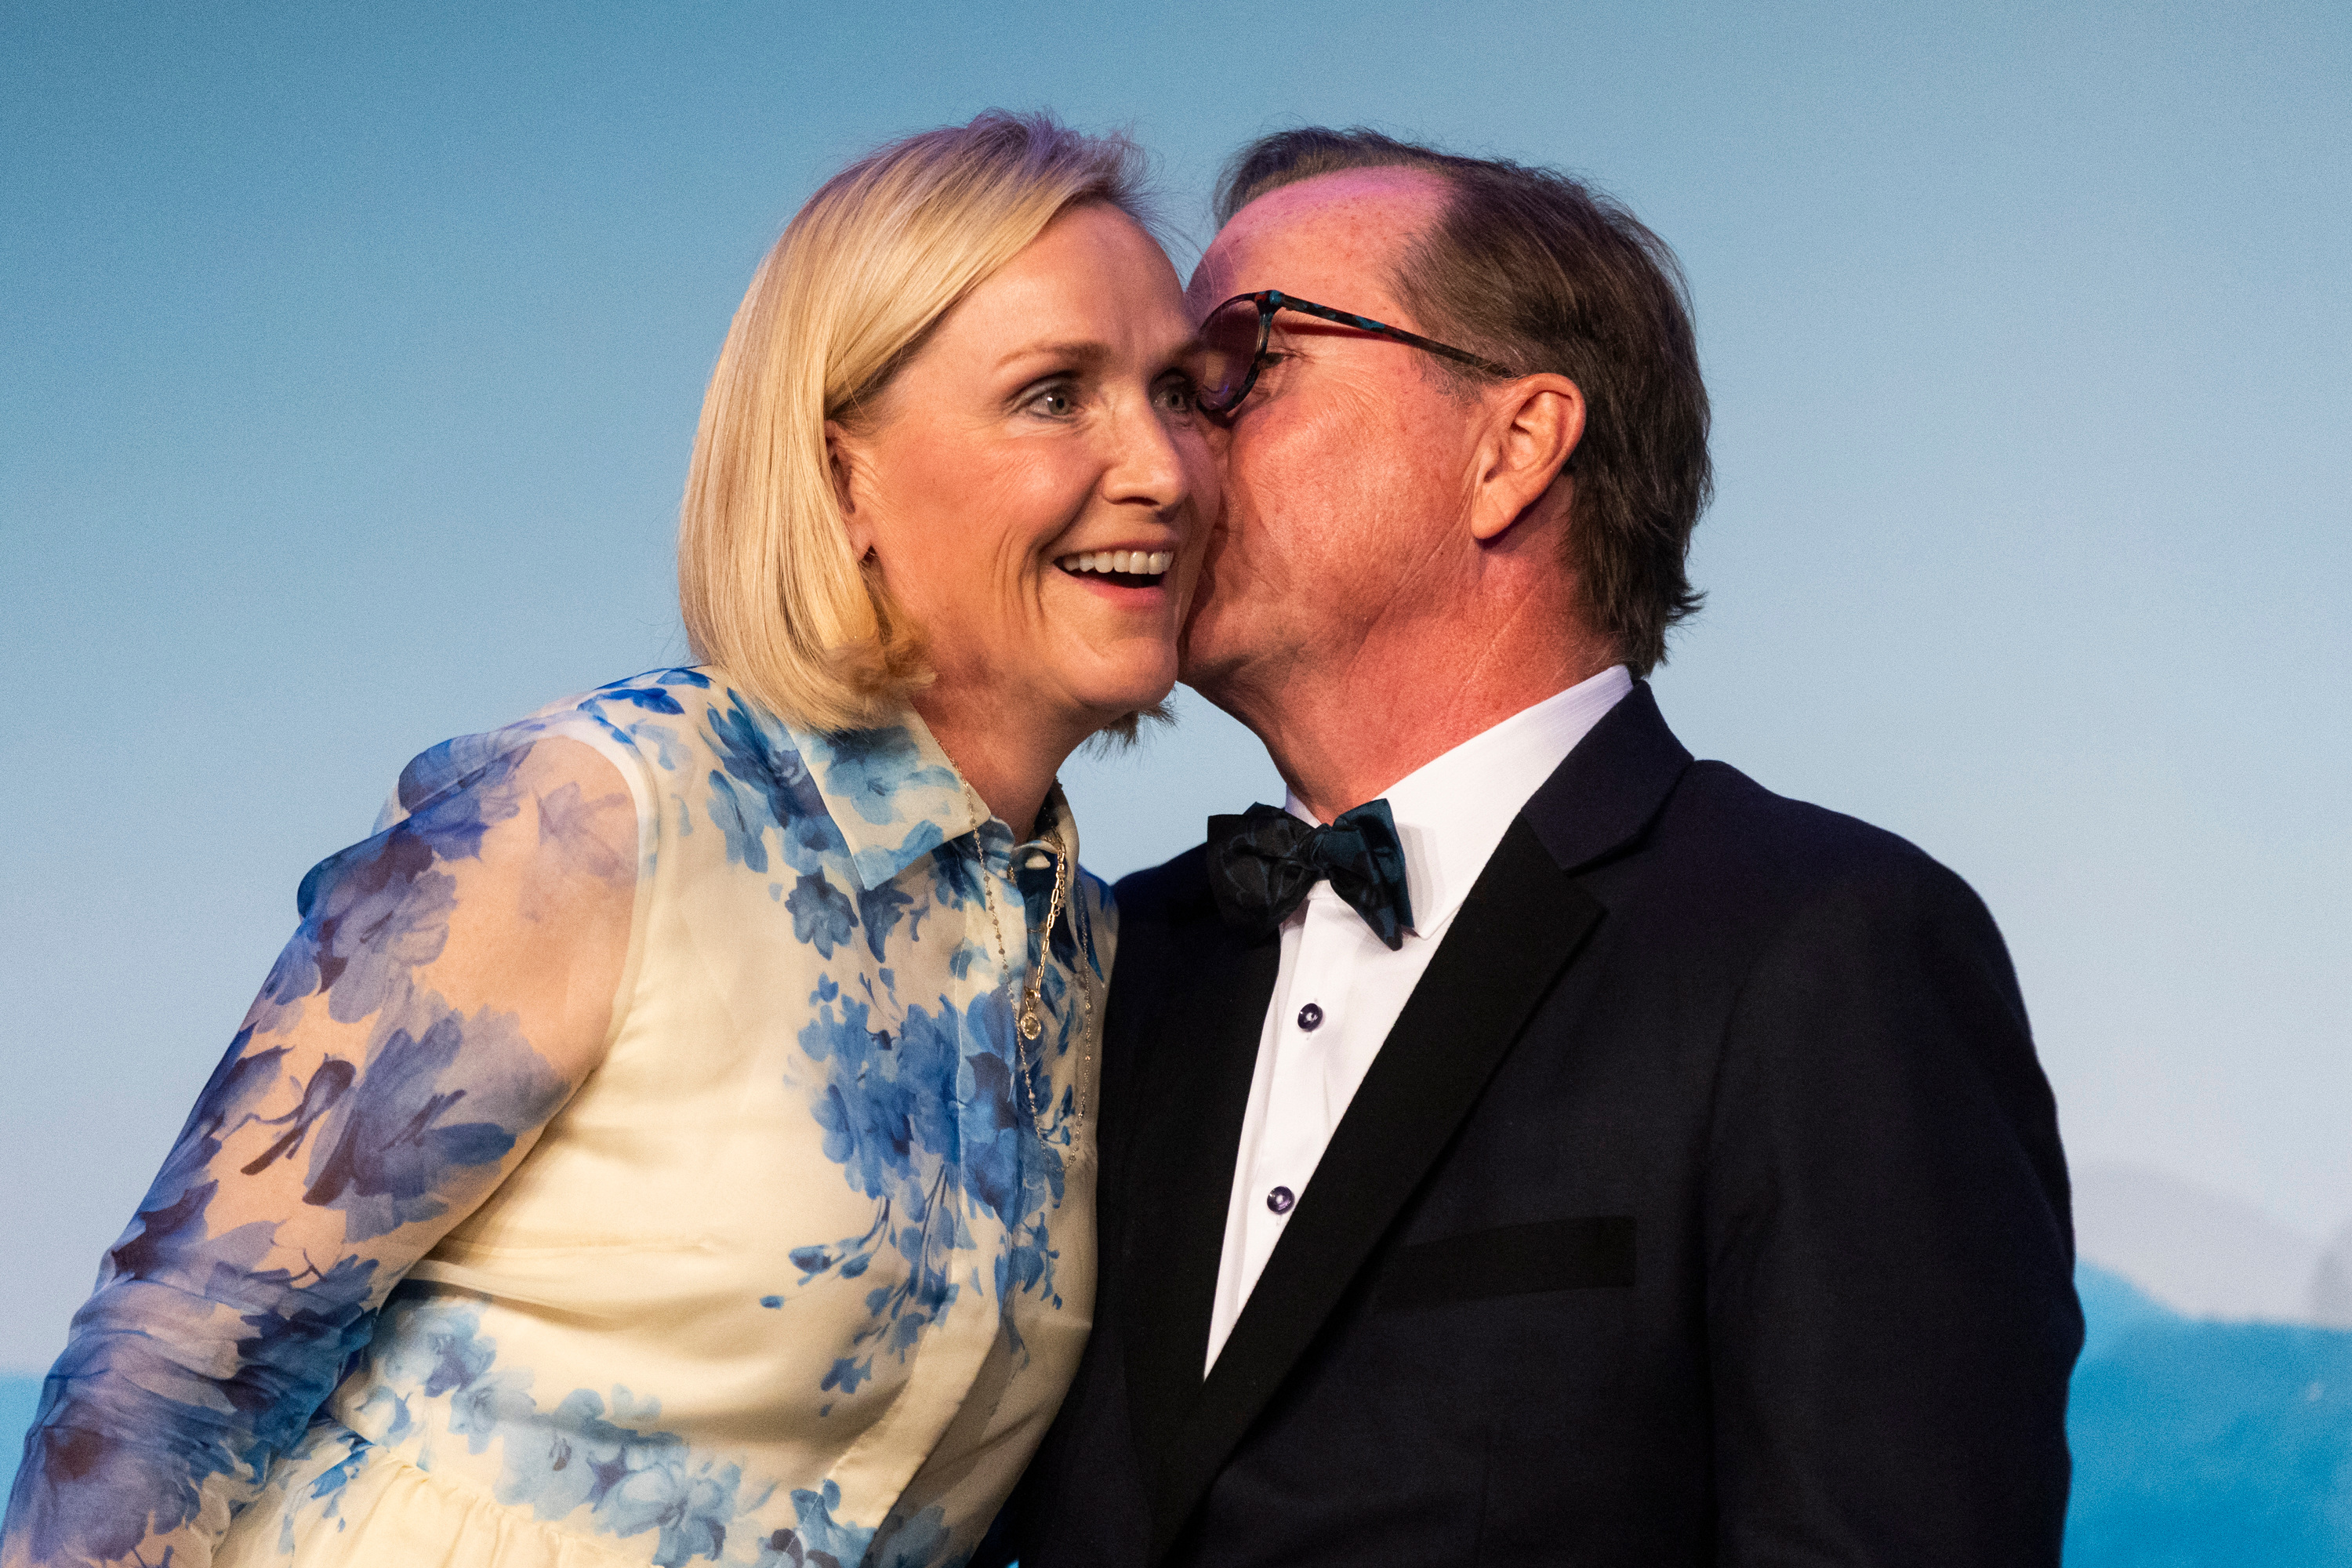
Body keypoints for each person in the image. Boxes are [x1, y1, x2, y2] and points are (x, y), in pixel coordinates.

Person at [2, 110, 1214, 1568]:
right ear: (843, 479)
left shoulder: (1087, 948)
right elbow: (171, 1375)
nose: (1164, 468)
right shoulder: (593, 816)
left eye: (1187, 393)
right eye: (1054, 395)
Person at [995, 129, 2082, 1566]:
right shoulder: (1110, 963)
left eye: (1243, 366)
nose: (1167, 450)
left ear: (1512, 448)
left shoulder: (1827, 949)